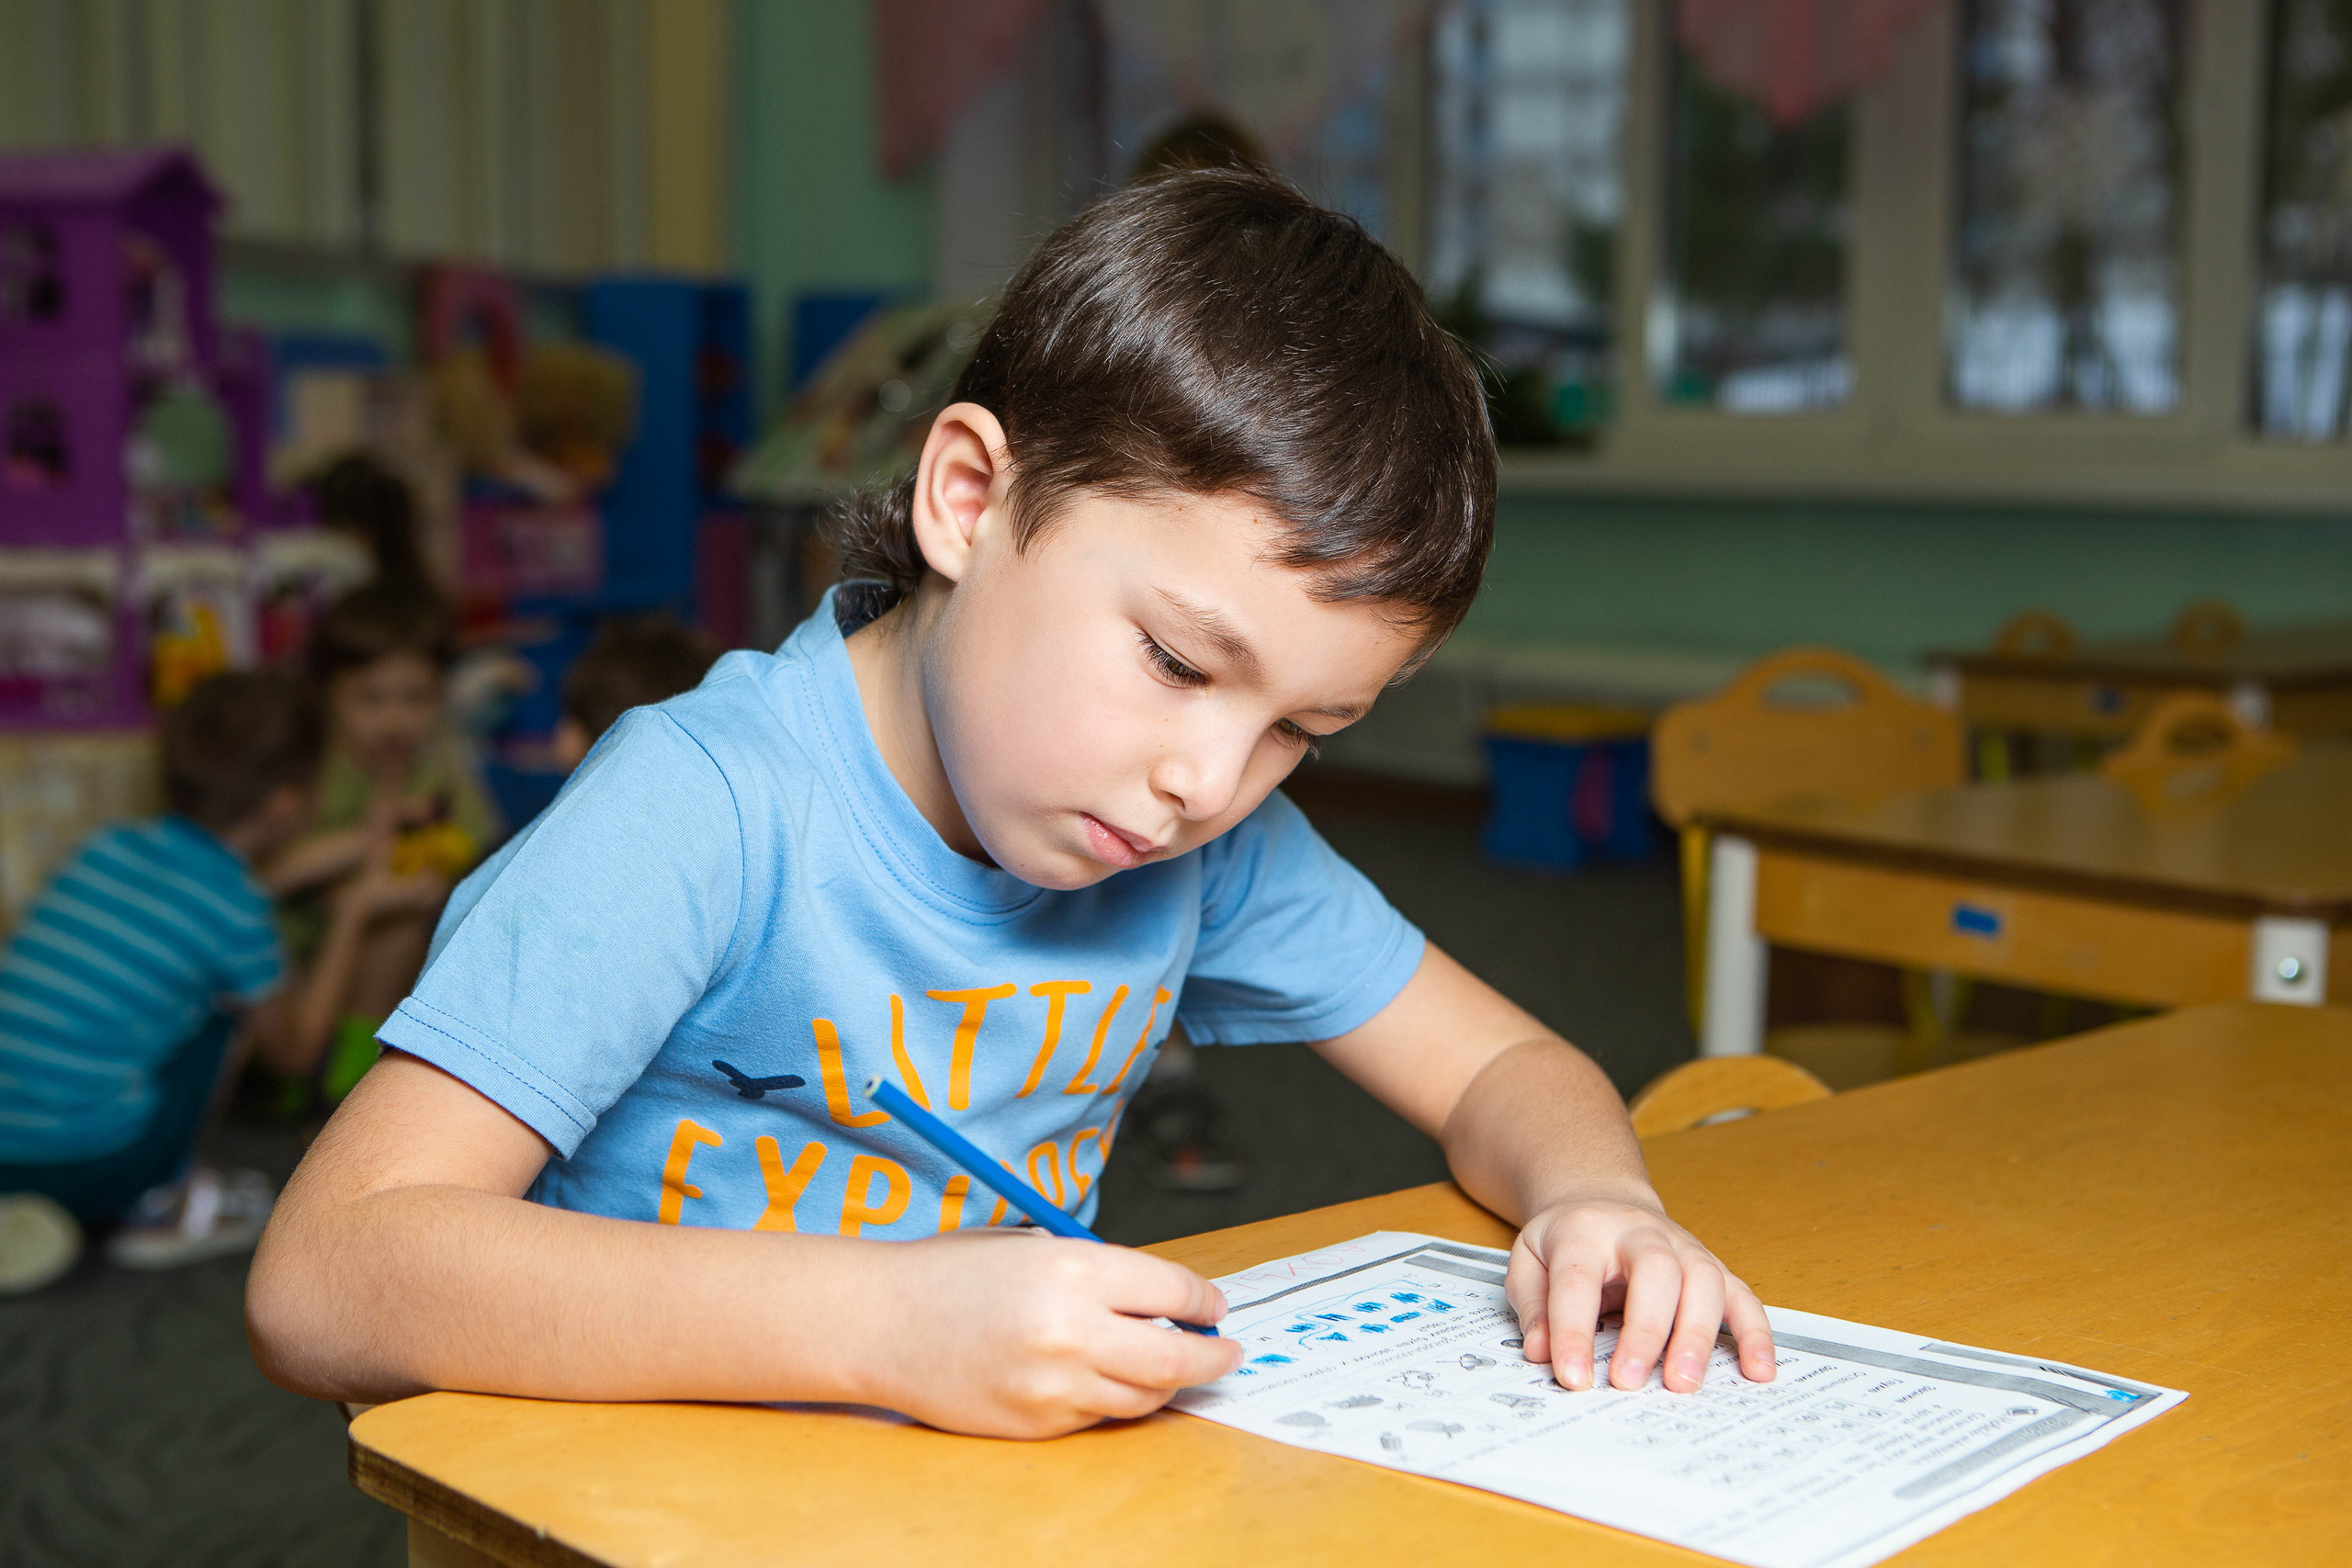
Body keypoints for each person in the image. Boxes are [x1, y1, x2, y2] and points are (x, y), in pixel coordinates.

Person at [246, 169, 1775, 1436]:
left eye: (1305, 728)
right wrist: (888, 1326)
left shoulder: (1197, 833)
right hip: (636, 1501)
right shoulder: (703, 807)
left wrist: (1597, 1197)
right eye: (1177, 660)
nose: (1207, 783)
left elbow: (1504, 1059)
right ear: (969, 498)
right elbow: (324, 1276)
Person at [0, 673, 447, 1292]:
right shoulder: (235, 906)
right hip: (93, 1160)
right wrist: (350, 917)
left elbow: (185, 921)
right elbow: (295, 1051)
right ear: (287, 802)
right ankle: (163, 1204)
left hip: (6, 1147)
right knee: (224, 1008)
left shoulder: (105, 846)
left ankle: (27, 1207)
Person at [267, 584, 497, 1104]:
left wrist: (434, 855)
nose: (395, 719)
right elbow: (268, 873)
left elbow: (482, 847)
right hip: (298, 954)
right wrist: (370, 841)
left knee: (406, 919)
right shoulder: (312, 767)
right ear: (328, 695)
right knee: (387, 919)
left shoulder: (437, 760)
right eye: (370, 699)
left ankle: (350, 1079)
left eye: (415, 699)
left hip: (395, 962)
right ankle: (327, 1084)